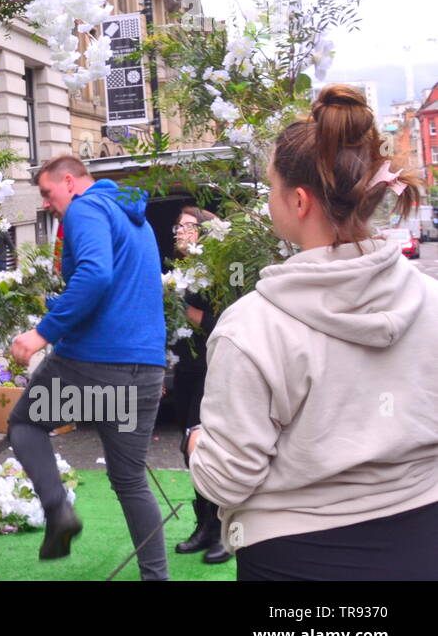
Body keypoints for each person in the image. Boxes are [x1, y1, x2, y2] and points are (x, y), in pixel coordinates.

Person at [188, 84, 438, 580]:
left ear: (298, 201)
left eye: (270, 187)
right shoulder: (429, 299)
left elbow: (227, 480)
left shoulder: (252, 326)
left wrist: (197, 446)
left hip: (297, 559)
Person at [9, 155, 169, 579]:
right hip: (146, 369)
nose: (46, 203)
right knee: (131, 481)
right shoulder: (135, 218)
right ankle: (157, 577)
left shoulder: (86, 208)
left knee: (25, 425)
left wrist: (43, 332)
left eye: (47, 193)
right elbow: (120, 286)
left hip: (95, 365)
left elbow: (96, 275)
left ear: (69, 181)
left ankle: (58, 511)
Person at [169, 207, 230, 564]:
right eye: (178, 226)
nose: (179, 231)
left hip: (213, 369)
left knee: (204, 446)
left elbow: (229, 321)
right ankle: (204, 524)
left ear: (204, 232)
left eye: (187, 226)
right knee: (186, 449)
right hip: (185, 369)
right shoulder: (179, 270)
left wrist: (189, 312)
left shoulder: (219, 271)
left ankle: (224, 528)